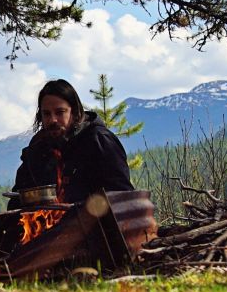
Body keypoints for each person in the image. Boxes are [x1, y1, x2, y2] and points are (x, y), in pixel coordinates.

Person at [9, 79, 134, 209]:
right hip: (46, 227)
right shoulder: (38, 148)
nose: (53, 120)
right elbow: (18, 199)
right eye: (46, 114)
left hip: (95, 225)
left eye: (60, 112)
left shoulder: (98, 141)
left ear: (74, 112)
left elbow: (122, 196)